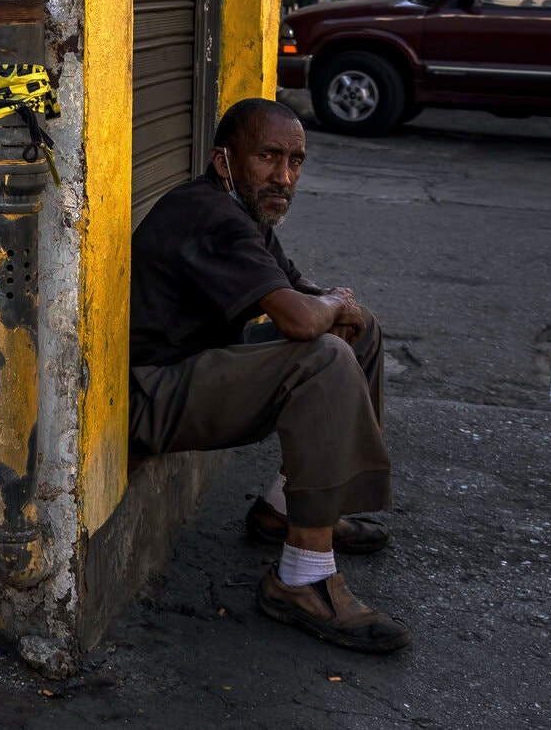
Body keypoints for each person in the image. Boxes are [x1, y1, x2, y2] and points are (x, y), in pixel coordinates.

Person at [127, 98, 408, 653]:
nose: (284, 176)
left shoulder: (244, 210)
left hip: (196, 368)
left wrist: (334, 306)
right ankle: (301, 580)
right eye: (268, 157)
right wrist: (327, 305)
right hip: (148, 394)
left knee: (359, 331)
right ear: (223, 159)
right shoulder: (208, 214)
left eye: (296, 161)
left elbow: (300, 293)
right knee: (322, 357)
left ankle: (287, 511)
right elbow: (303, 318)